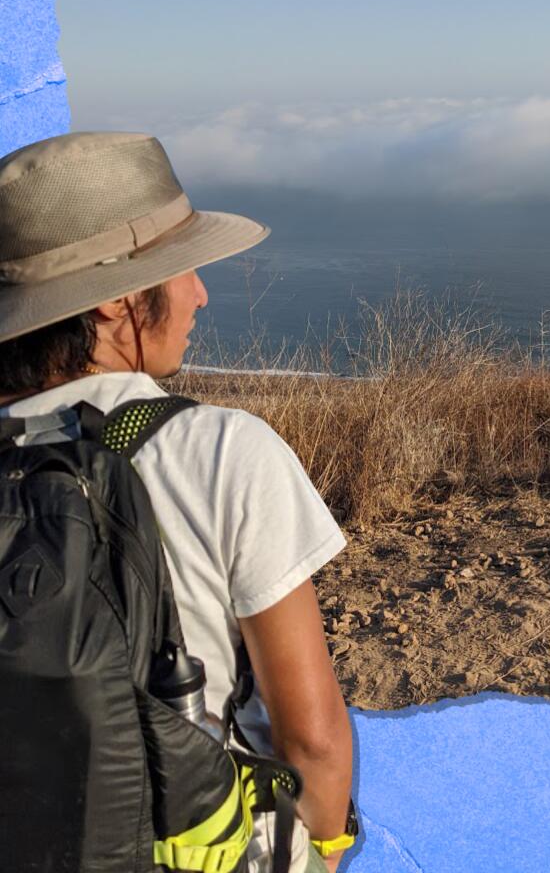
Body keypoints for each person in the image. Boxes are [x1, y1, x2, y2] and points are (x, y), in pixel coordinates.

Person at [0, 131, 355, 871]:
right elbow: (311, 741)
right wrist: (323, 851)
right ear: (117, 303)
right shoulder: (225, 451)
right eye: (180, 269)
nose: (198, 292)